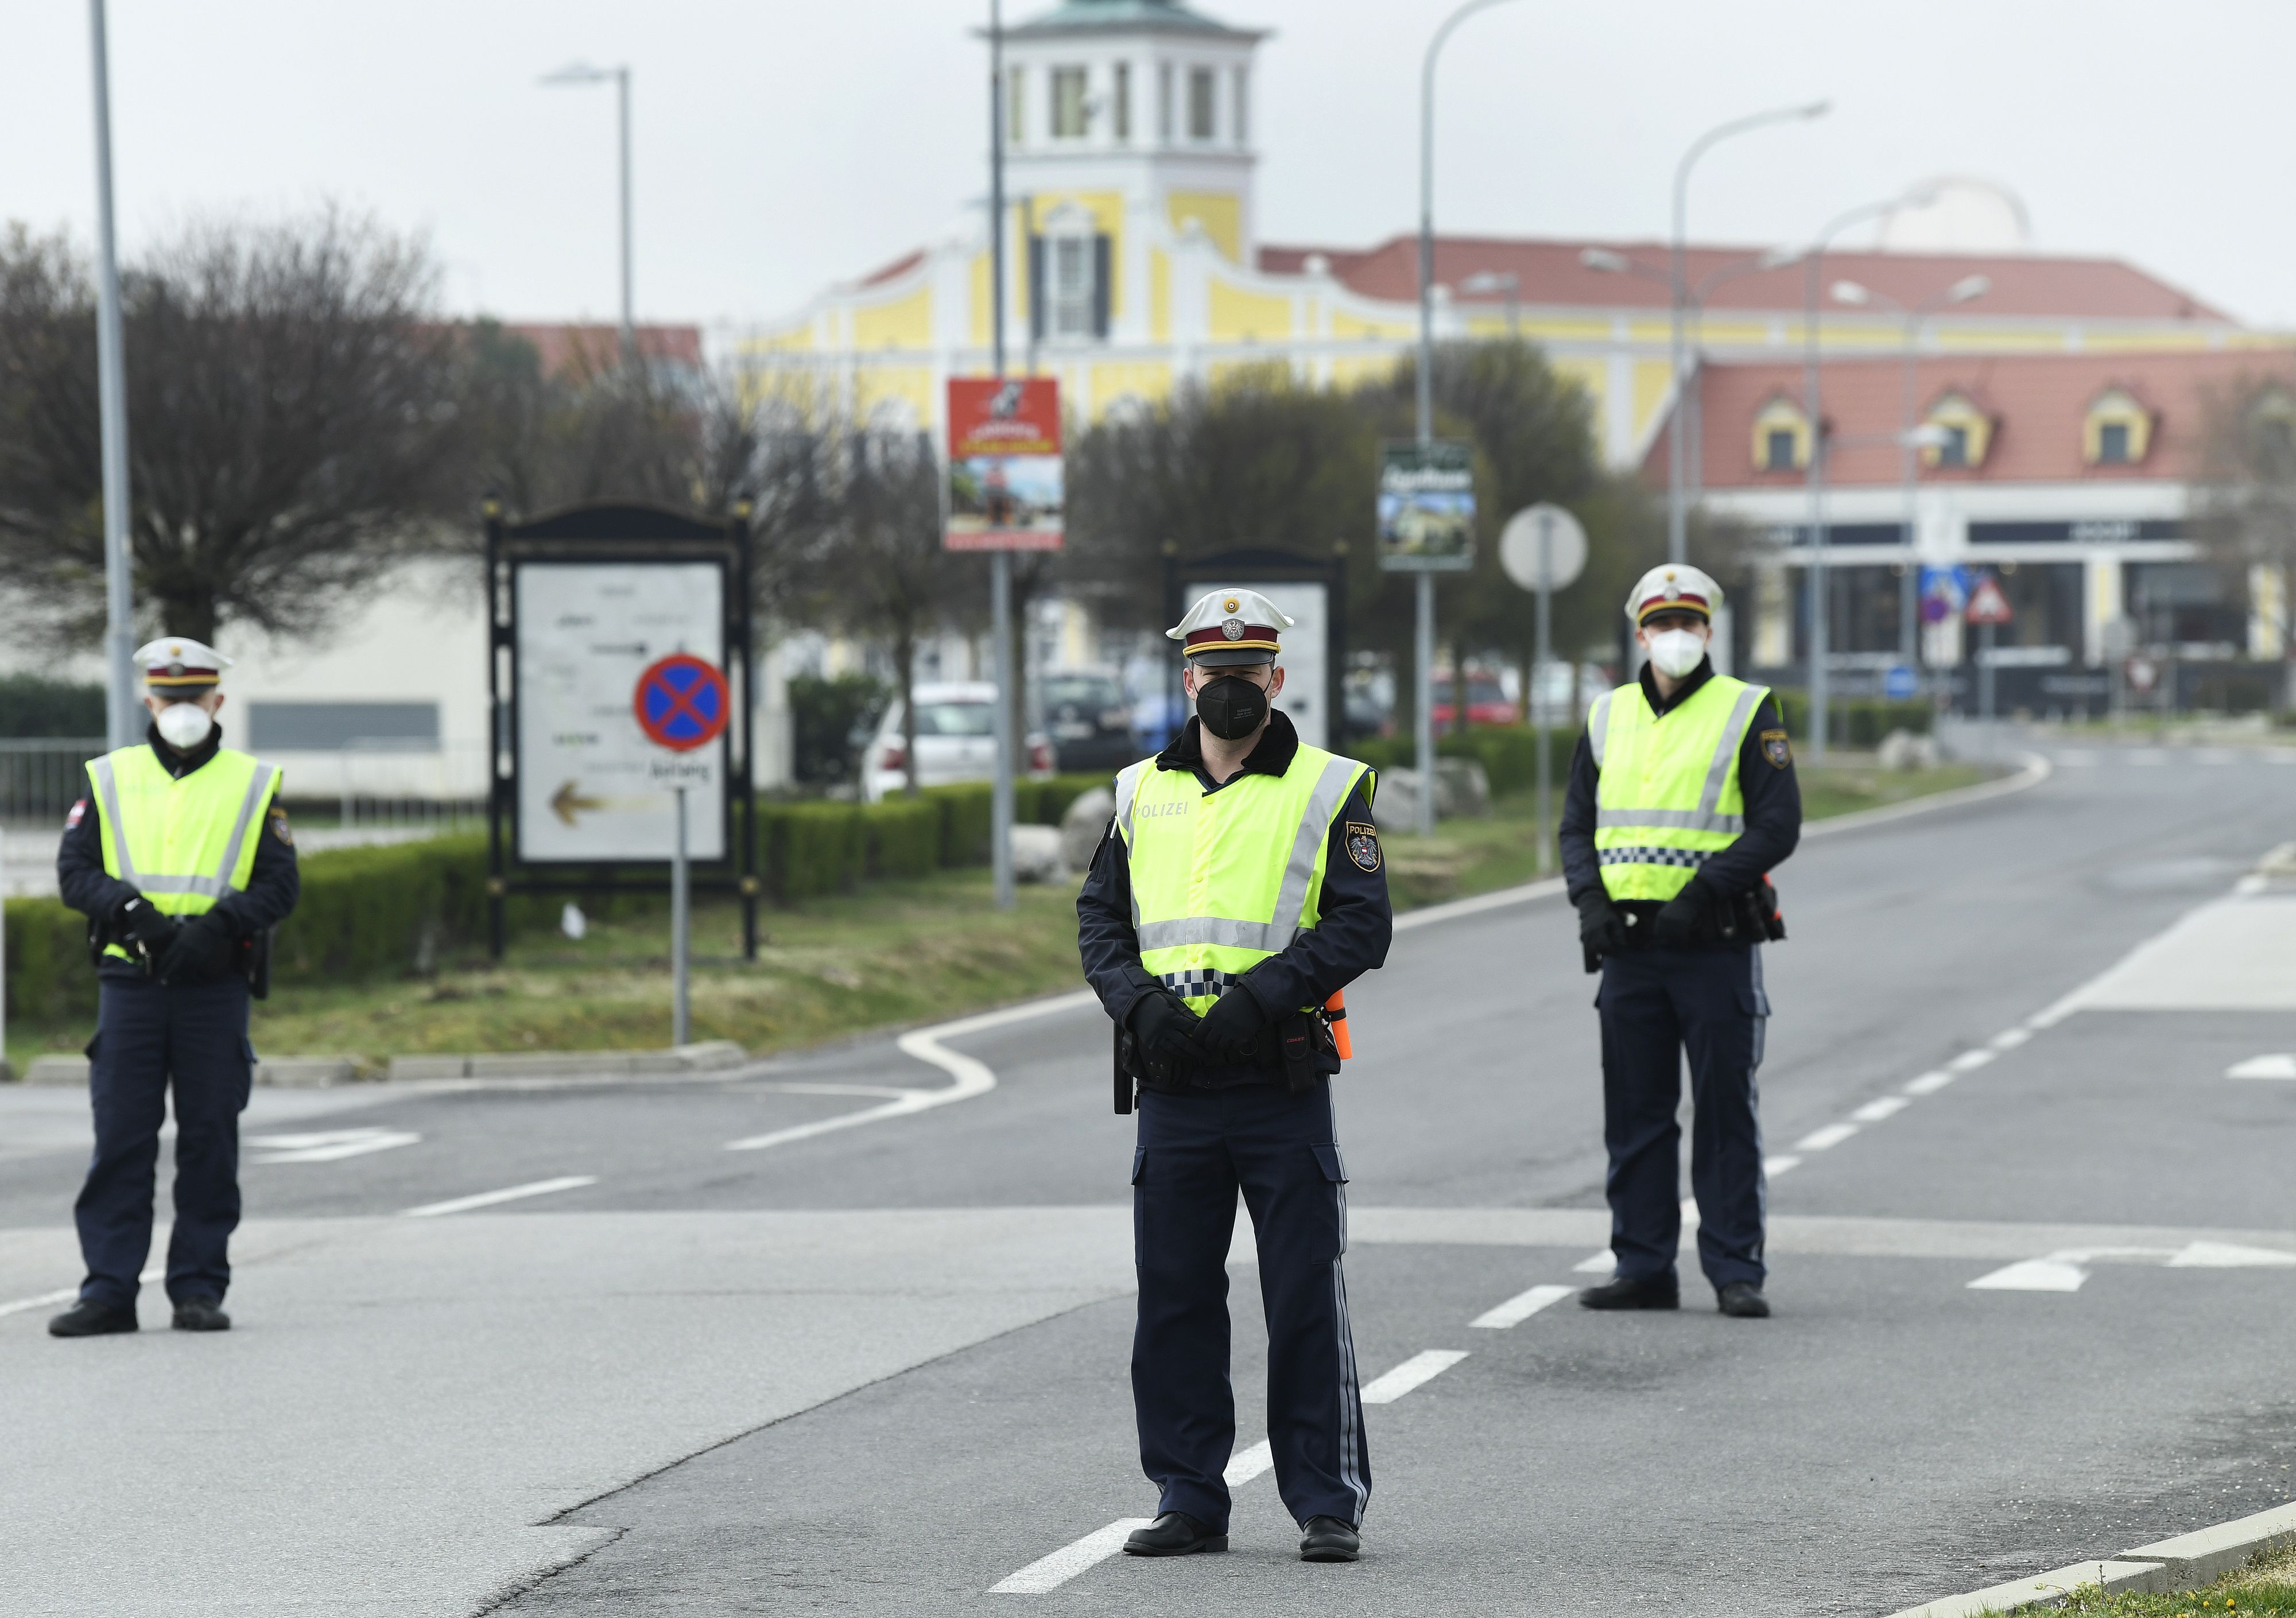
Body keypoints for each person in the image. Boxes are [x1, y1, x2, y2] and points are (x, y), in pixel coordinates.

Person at [1076, 588, 1391, 1564]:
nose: (1232, 688)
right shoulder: (1138, 790)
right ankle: (1188, 1493)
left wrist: (1262, 994)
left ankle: (1326, 1499)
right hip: (1172, 1082)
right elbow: (1100, 919)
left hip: (1277, 1077)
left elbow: (1361, 924)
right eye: (1216, 674)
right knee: (1173, 1292)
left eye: (1250, 673)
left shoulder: (1331, 786)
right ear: (1189, 680)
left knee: (1303, 1291)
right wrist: (1139, 1003)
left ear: (1276, 681)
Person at [1558, 565, 1801, 1320]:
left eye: (1690, 623)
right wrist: (1589, 904)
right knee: (1635, 1111)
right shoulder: (1608, 716)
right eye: (1663, 623)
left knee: (1726, 1110)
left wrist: (1699, 890)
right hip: (1629, 949)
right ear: (1640, 632)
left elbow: (1776, 823)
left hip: (1713, 944)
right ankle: (1643, 1264)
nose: (1676, 636)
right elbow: (1576, 825)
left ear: (1708, 631)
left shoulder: (1748, 710)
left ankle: (1735, 1268)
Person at [48, 637, 300, 1338]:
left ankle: (197, 1287)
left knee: (209, 1140)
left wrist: (220, 923)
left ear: (217, 701)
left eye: (195, 697)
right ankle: (108, 1290)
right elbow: (76, 872)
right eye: (170, 697)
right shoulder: (109, 777)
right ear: (150, 702)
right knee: (121, 1139)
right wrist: (133, 914)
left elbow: (281, 884)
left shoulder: (252, 783)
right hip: (131, 979)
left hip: (212, 985)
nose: (182, 710)